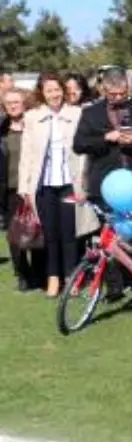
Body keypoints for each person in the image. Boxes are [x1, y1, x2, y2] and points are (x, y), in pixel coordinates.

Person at [18, 73, 98, 297]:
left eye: (57, 90)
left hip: (69, 183)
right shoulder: (33, 117)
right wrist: (24, 187)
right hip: (43, 186)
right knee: (50, 235)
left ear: (63, 90)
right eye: (49, 90)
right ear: (42, 94)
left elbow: (86, 151)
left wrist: (85, 182)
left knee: (70, 233)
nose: (54, 94)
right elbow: (27, 155)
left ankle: (71, 276)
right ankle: (52, 277)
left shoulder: (77, 113)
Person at [73, 68, 132, 207]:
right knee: (108, 228)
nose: (119, 97)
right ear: (103, 90)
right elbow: (79, 144)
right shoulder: (91, 113)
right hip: (105, 186)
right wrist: (106, 138)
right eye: (113, 94)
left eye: (123, 93)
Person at [1, 89, 38, 292]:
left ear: (24, 103)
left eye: (16, 102)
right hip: (9, 189)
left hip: (34, 187)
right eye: (8, 103)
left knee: (37, 232)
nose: (13, 106)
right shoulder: (2, 129)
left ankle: (40, 272)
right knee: (15, 236)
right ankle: (22, 274)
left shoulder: (34, 125)